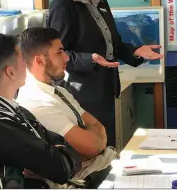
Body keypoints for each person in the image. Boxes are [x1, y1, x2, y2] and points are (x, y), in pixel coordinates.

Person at [47, 0, 164, 146]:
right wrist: (89, 59)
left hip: (105, 88)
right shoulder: (63, 6)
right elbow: (57, 54)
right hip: (81, 92)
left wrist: (136, 51)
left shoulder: (100, 2)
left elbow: (113, 44)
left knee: (105, 148)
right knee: (89, 152)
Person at [0, 33, 82, 188]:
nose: (27, 65)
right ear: (11, 72)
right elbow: (60, 169)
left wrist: (58, 154)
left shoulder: (10, 107)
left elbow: (69, 153)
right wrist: (57, 155)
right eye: (23, 59)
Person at [17, 27, 116, 187]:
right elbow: (91, 147)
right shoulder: (37, 102)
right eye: (59, 52)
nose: (66, 58)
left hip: (103, 164)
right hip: (87, 179)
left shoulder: (58, 91)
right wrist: (94, 139)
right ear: (40, 60)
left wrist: (95, 140)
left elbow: (99, 127)